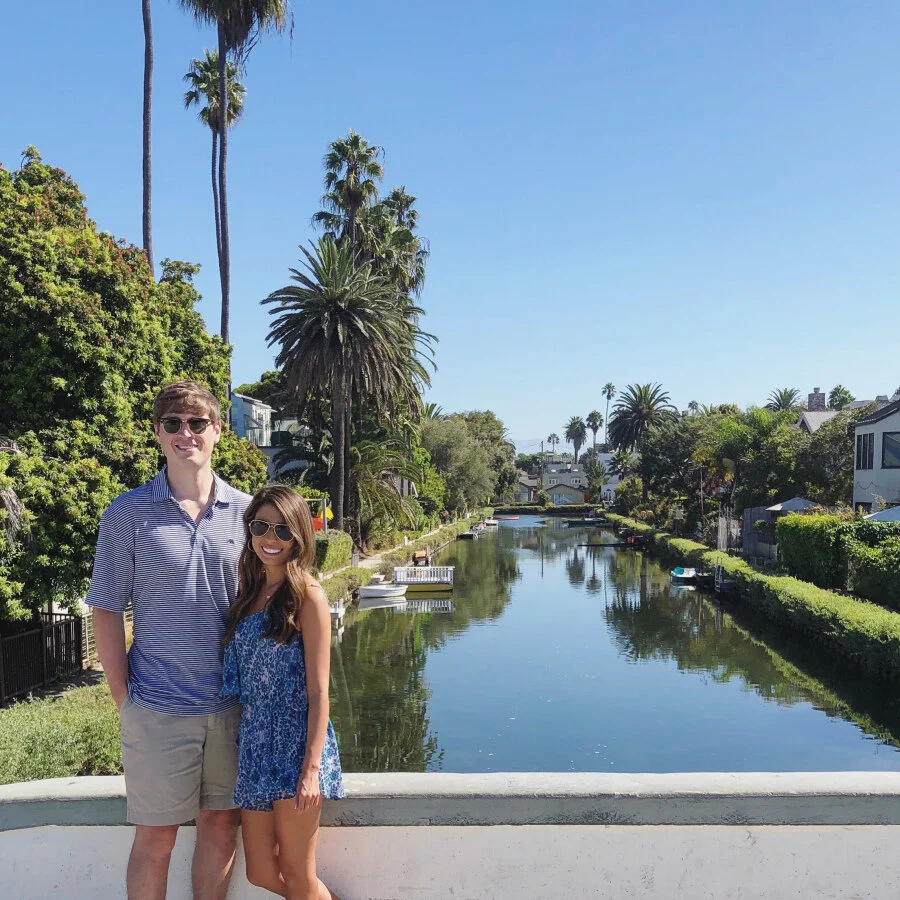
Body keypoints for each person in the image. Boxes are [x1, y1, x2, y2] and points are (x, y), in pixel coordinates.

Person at [87, 380, 252, 900]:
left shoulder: (249, 514)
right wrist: (124, 697)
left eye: (198, 422)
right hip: (157, 707)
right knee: (156, 839)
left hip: (231, 706)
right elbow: (105, 608)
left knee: (221, 827)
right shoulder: (127, 512)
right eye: (173, 423)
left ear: (218, 430)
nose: (186, 433)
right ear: (157, 433)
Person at [221, 485, 345, 899]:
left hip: (294, 746)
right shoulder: (249, 594)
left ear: (299, 536)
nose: (270, 539)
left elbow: (319, 693)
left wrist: (310, 770)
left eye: (283, 530)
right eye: (261, 527)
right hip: (255, 744)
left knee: (297, 873)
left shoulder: (308, 596)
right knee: (260, 871)